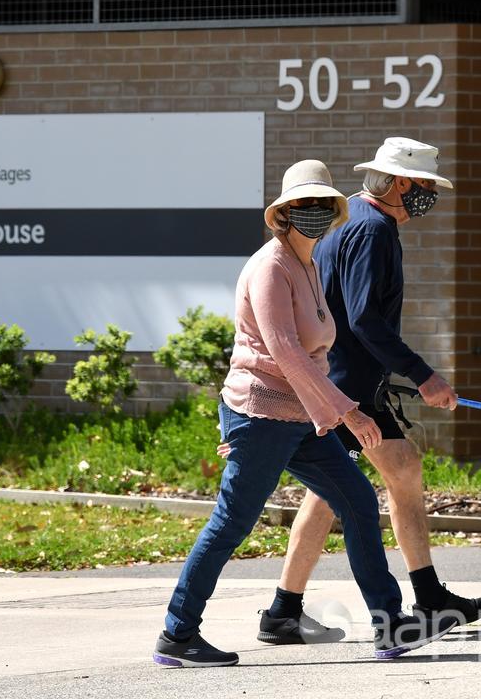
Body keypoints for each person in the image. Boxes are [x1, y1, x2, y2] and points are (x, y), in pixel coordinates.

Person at [154, 159, 455, 668]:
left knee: (359, 501)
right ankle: (178, 634)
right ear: (282, 214)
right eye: (302, 205)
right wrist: (348, 414)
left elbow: (315, 352)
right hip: (261, 416)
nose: (313, 212)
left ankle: (390, 624)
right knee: (231, 524)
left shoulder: (309, 264)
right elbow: (287, 353)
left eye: (321, 205)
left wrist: (331, 412)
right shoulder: (270, 267)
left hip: (299, 418)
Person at [251, 138, 481, 646]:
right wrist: (423, 374)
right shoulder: (374, 230)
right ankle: (286, 611)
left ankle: (427, 596)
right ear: (403, 183)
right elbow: (363, 318)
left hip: (352, 382)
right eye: (427, 186)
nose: (430, 195)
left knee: (400, 469)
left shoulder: (354, 224)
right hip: (347, 388)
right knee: (331, 493)